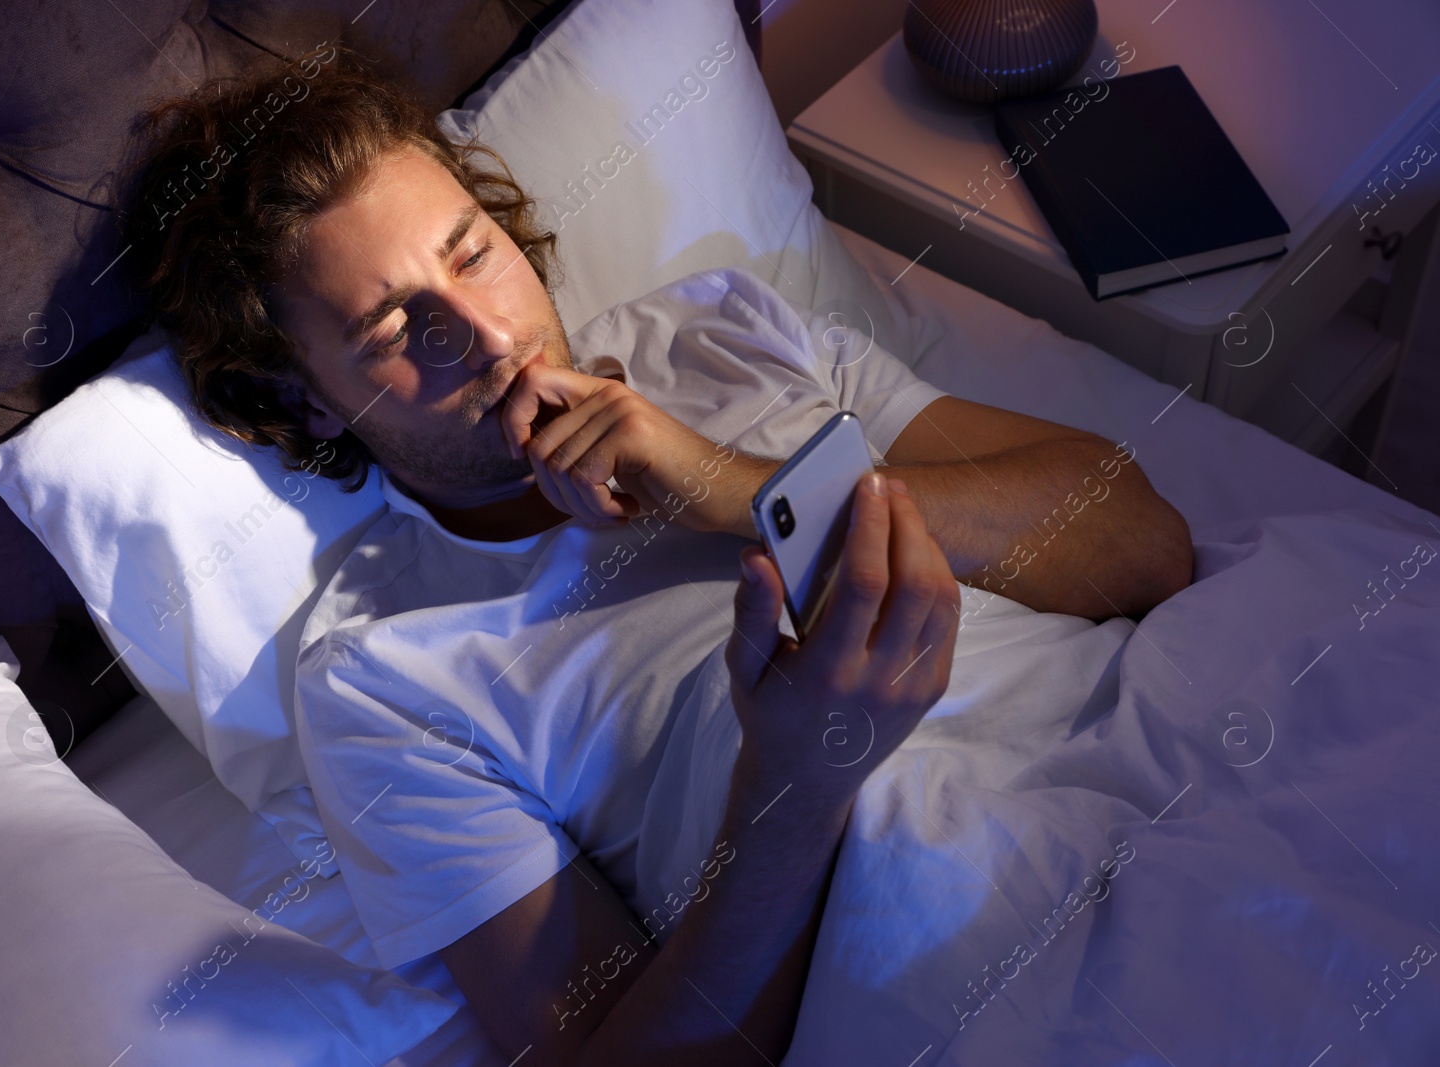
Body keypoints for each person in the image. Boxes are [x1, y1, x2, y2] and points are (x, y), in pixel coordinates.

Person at [121, 46, 1193, 1067]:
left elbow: (1144, 547)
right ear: (305, 395)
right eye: (401, 329)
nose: (489, 339)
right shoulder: (379, 676)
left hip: (1185, 754)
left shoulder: (720, 326)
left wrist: (731, 486)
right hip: (976, 930)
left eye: (472, 254)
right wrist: (798, 782)